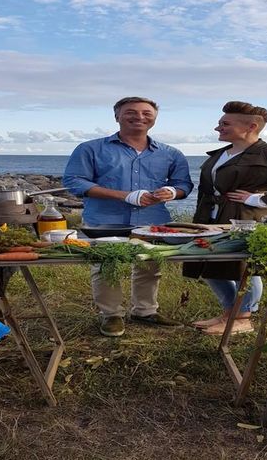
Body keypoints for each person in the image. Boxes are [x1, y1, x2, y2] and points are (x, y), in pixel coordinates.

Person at [183, 101, 267, 335]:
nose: (218, 128)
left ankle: (244, 316)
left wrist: (262, 200)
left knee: (244, 267)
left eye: (225, 123)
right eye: (219, 123)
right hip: (212, 217)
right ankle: (230, 312)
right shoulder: (221, 154)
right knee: (206, 263)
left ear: (251, 126)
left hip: (248, 218)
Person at [63, 96, 194, 337]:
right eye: (131, 112)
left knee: (149, 266)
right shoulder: (90, 149)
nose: (139, 117)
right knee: (105, 266)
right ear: (117, 116)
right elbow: (74, 181)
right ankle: (111, 315)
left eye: (146, 113)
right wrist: (125, 196)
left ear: (155, 118)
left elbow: (184, 184)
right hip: (103, 220)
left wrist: (172, 192)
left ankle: (145, 311)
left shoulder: (171, 153)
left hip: (152, 220)